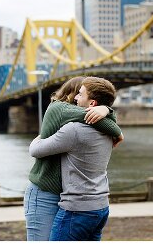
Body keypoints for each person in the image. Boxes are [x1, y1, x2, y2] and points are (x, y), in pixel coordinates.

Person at [27, 76, 120, 241]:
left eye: (81, 94)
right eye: (76, 93)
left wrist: (39, 137)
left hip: (75, 205)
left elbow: (35, 150)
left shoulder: (74, 129)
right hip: (96, 204)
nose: (77, 97)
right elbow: (109, 123)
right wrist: (108, 112)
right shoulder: (106, 132)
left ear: (92, 103)